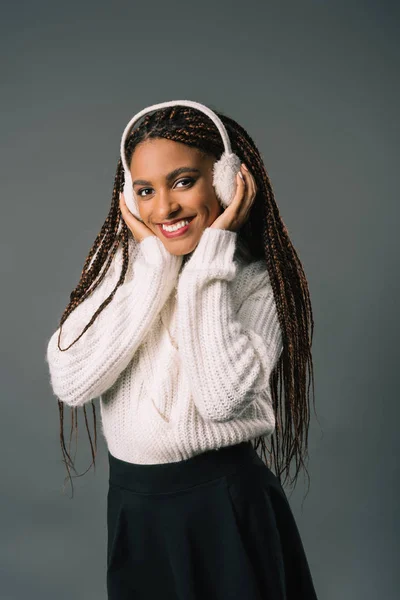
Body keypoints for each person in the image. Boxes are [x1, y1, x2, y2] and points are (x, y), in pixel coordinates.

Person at [45, 100, 319, 599]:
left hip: (224, 507)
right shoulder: (121, 272)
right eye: (146, 190)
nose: (164, 207)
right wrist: (154, 267)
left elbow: (222, 398)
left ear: (226, 181)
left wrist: (209, 259)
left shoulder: (259, 284)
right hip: (135, 508)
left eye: (182, 181)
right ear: (129, 195)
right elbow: (72, 380)